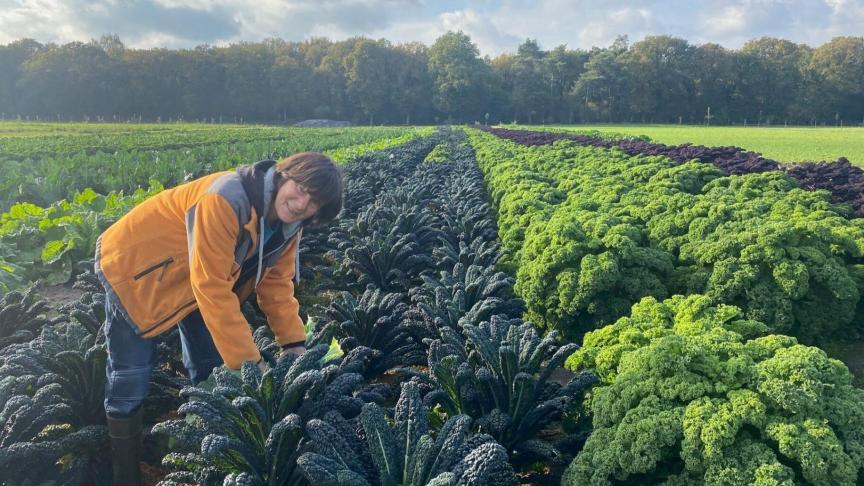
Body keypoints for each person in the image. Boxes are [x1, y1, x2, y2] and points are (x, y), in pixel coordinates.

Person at [94, 152, 343, 485]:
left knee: (211, 366)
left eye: (313, 203)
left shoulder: (289, 227)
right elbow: (211, 287)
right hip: (137, 270)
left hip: (195, 278)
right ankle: (124, 475)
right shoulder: (225, 198)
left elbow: (277, 285)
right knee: (131, 373)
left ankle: (206, 450)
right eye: (300, 189)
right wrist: (251, 365)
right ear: (285, 175)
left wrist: (294, 343)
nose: (301, 204)